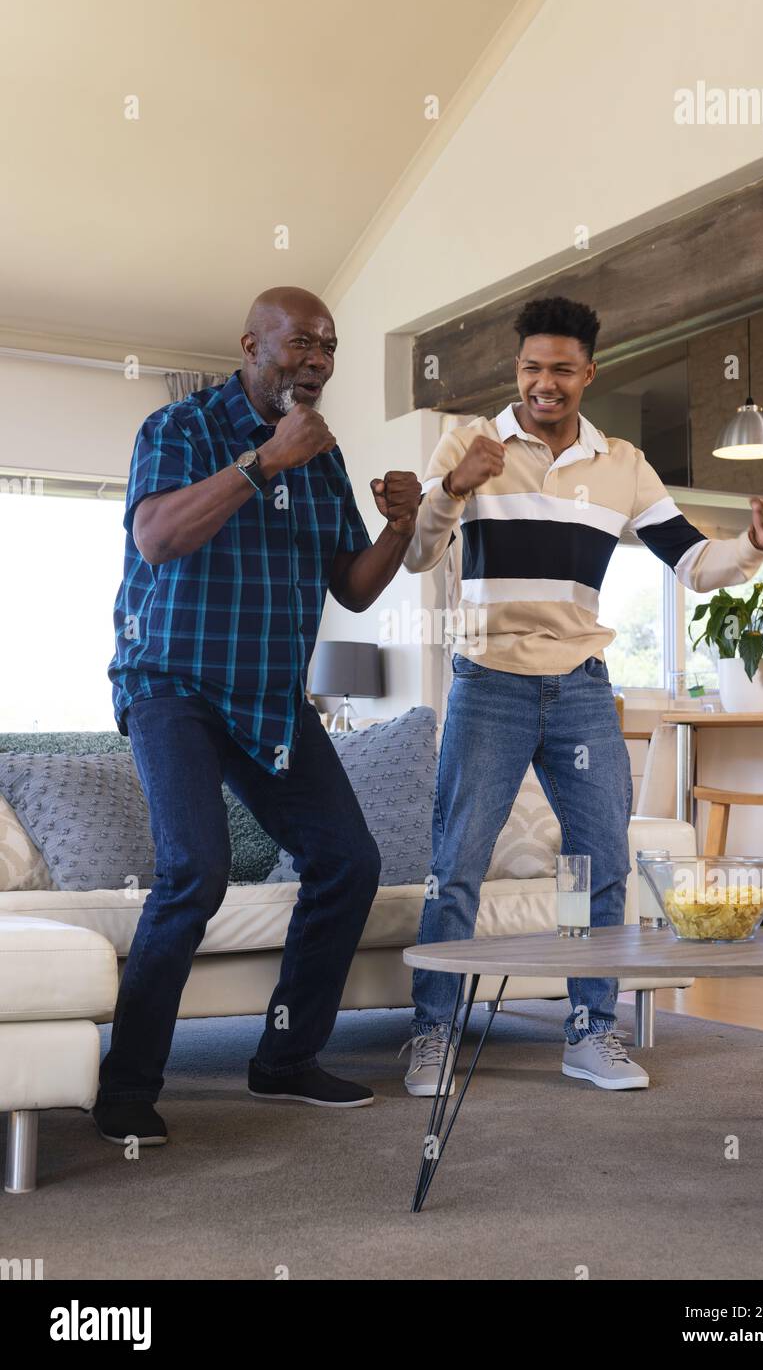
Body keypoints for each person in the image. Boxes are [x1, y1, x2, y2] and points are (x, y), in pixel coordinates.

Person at [402, 295, 763, 1096]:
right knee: (457, 867)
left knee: (597, 867)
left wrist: (751, 546)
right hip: (488, 681)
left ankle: (590, 1031)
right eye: (530, 368)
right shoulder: (469, 443)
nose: (544, 384)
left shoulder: (620, 463)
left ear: (587, 373)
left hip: (579, 685)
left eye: (560, 370)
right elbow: (416, 553)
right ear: (518, 370)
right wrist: (450, 486)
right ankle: (432, 1032)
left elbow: (689, 561)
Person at [99, 286, 421, 1144]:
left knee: (347, 860)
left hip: (270, 696)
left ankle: (283, 1060)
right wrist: (263, 462)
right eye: (298, 345)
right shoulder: (182, 428)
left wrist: (399, 528)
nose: (314, 361)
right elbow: (158, 538)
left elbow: (351, 588)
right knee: (194, 873)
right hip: (171, 683)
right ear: (250, 343)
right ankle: (126, 1086)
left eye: (327, 349)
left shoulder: (321, 454)